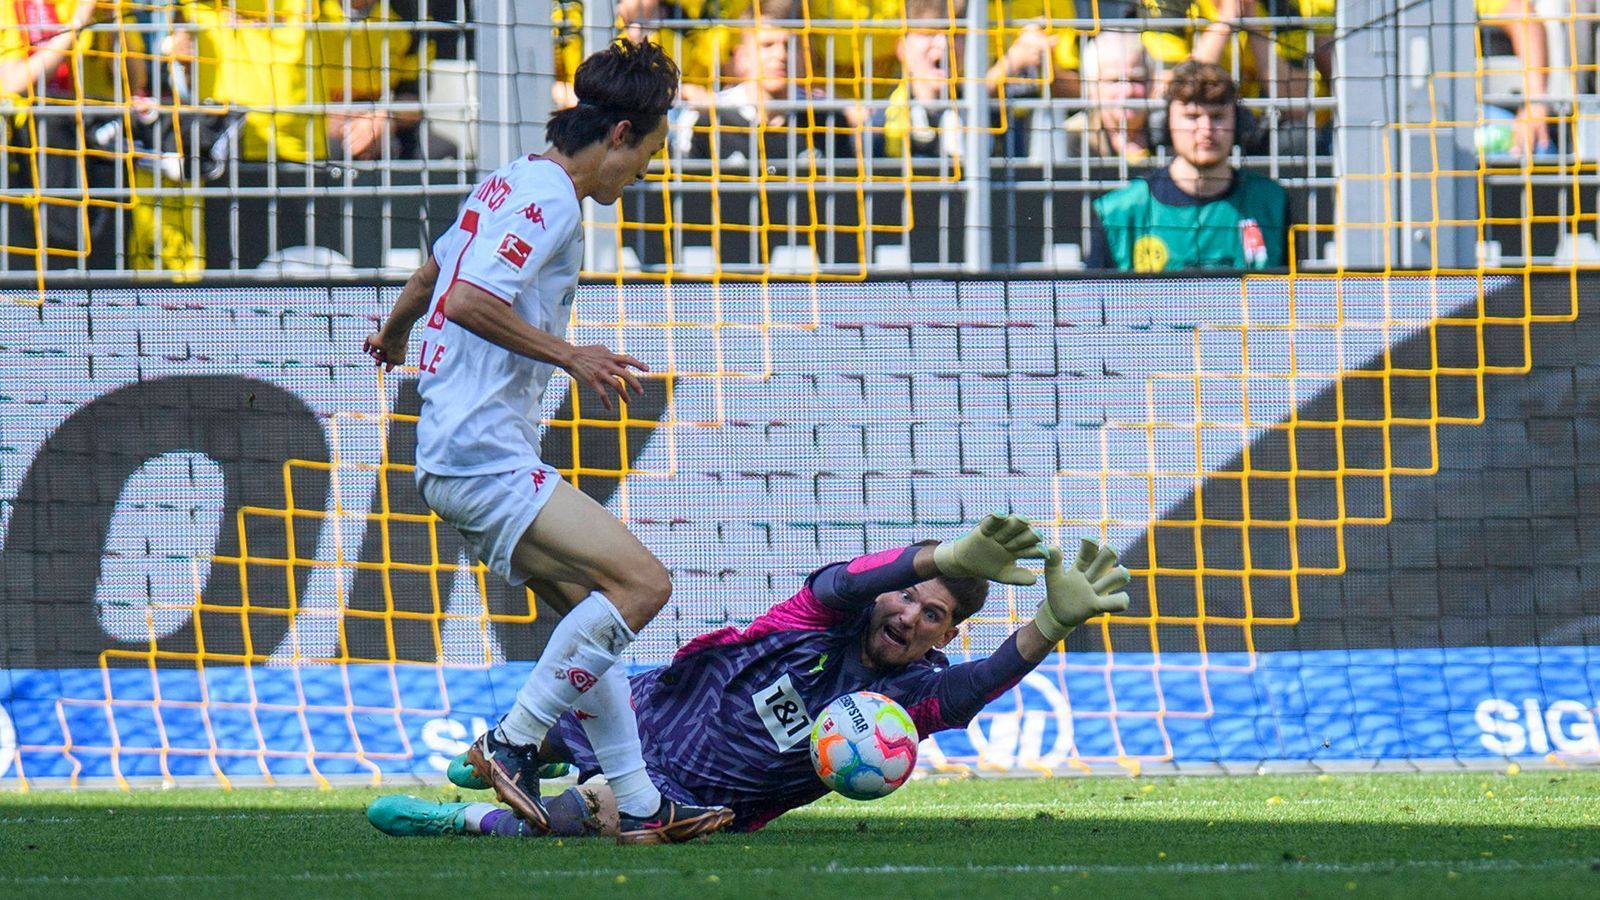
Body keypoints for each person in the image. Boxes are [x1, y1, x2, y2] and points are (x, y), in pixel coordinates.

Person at [359, 38, 733, 846]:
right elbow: (463, 300)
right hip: (479, 452)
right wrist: (573, 353)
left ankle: (636, 804)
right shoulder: (556, 198)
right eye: (648, 155)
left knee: (588, 613)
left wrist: (391, 333)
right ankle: (511, 744)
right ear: (620, 133)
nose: (640, 176)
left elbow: (432, 277)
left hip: (461, 451)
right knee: (642, 587)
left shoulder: (509, 179)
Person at [365, 516, 1132, 838]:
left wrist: (1050, 626)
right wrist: (938, 561)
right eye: (907, 595)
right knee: (587, 640)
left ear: (947, 636)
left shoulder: (905, 703)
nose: (907, 613)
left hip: (689, 801)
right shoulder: (819, 618)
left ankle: (459, 823)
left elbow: (975, 688)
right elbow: (842, 581)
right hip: (644, 713)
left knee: (585, 818)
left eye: (932, 614)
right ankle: (530, 748)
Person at [1086, 61, 1289, 272]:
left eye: (1217, 116)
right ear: (1165, 123)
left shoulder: (1272, 202)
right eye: (1192, 117)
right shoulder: (1119, 212)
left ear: (1238, 123)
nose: (1206, 129)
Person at [676, 17, 855, 167]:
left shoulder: (828, 118)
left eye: (790, 45)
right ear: (742, 57)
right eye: (767, 45)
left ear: (804, 57)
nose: (780, 55)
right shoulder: (707, 119)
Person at [1063, 29, 1155, 164]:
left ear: (1151, 84)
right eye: (1114, 80)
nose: (1127, 91)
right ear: (1092, 88)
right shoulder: (1071, 139)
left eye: (1136, 80)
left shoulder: (1171, 136)